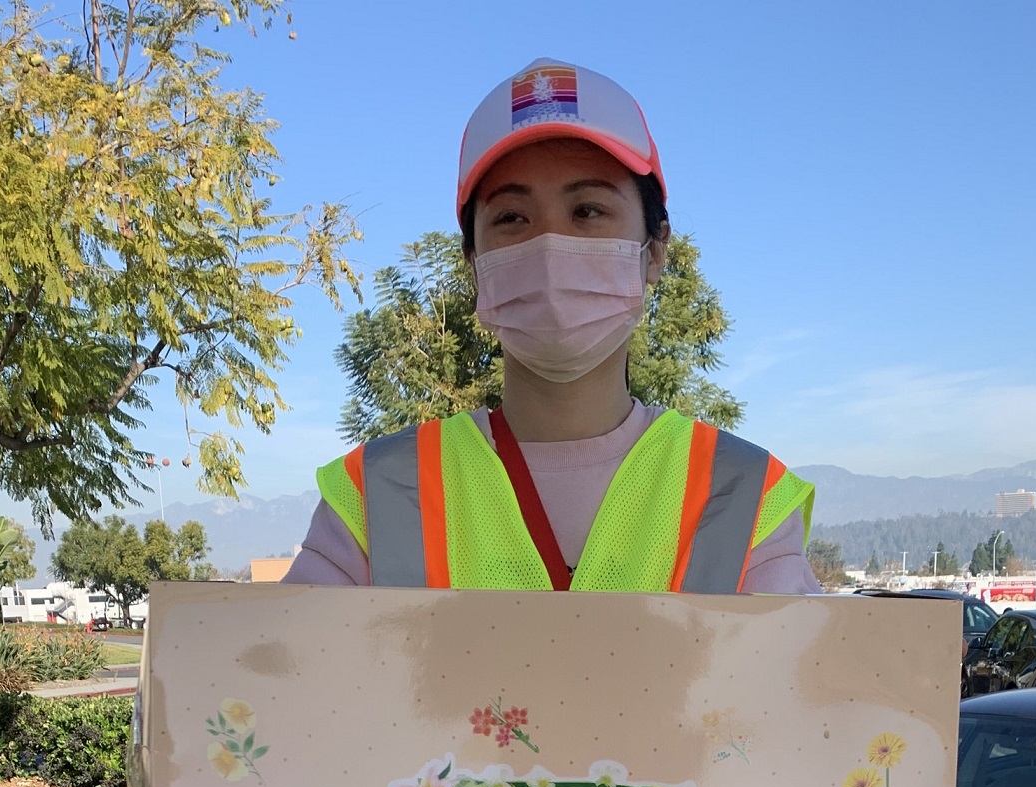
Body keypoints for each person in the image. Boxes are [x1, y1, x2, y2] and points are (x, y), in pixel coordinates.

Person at [286, 58, 820, 595]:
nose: (548, 246)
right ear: (474, 264)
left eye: (587, 210)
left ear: (655, 250)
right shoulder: (372, 501)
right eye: (512, 218)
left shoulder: (746, 502)